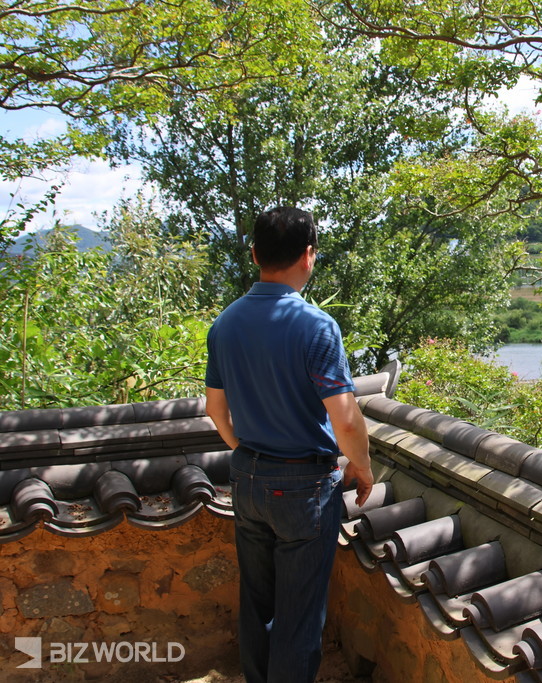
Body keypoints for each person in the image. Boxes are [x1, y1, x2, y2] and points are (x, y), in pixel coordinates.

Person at [204, 206, 374, 683]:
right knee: (299, 619)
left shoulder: (225, 324)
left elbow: (216, 411)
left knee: (257, 606)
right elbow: (345, 417)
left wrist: (247, 451)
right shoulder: (316, 326)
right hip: (303, 486)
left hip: (248, 478)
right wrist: (361, 467)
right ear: (309, 256)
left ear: (255, 254)